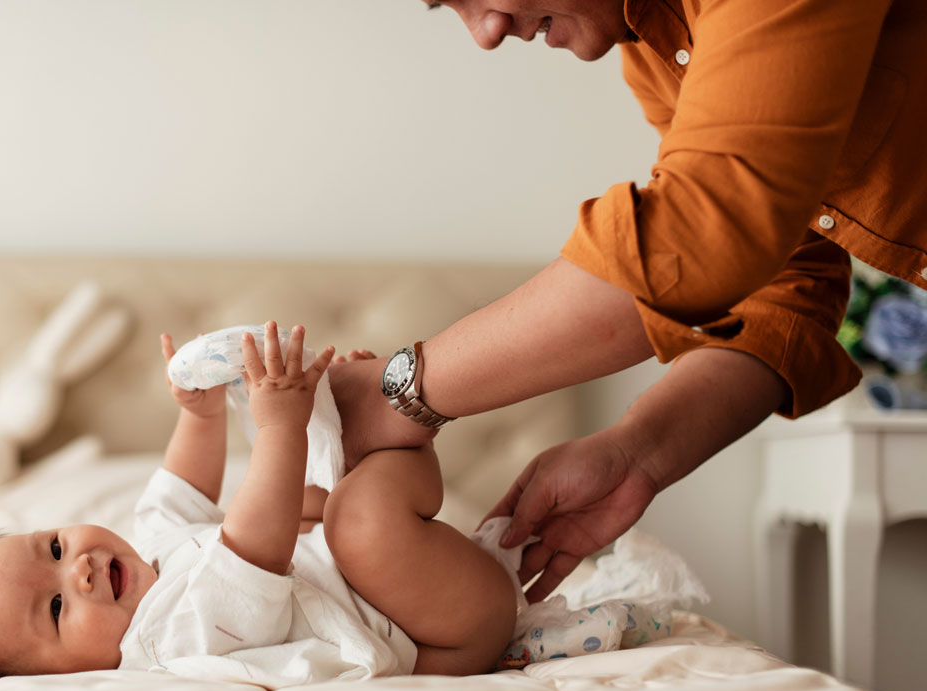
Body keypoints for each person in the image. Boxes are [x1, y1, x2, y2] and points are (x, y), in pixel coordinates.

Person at [327, 0, 927, 603]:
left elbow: (702, 232)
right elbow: (786, 282)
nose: (484, 34)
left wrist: (400, 392)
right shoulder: (655, 52)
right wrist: (638, 450)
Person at [0, 322, 521, 681]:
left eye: (53, 548)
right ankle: (388, 436)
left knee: (313, 495)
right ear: (66, 677)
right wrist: (282, 425)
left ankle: (366, 438)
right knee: (347, 519)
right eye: (55, 608)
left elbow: (181, 487)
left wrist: (200, 415)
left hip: (407, 585)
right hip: (440, 635)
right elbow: (255, 548)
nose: (80, 569)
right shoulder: (165, 639)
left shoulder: (147, 549)